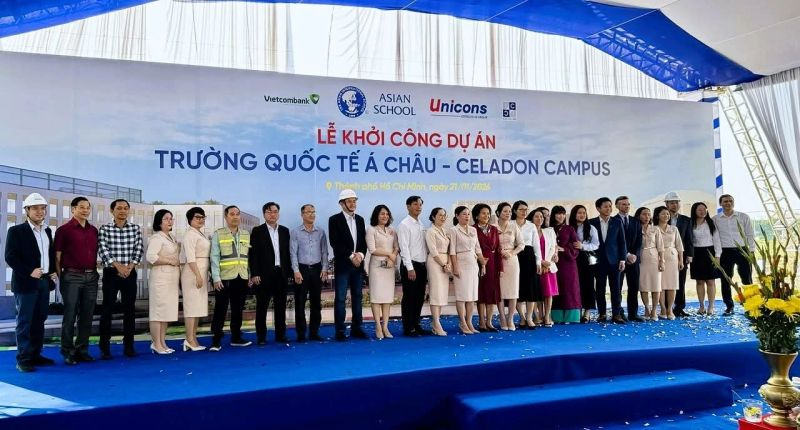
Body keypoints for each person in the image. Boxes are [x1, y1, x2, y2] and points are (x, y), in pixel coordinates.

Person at [5, 193, 57, 372]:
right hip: (25, 283)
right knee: (25, 321)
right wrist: (29, 271)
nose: (39, 211)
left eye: (42, 208)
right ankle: (24, 359)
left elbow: (48, 254)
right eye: (35, 208)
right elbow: (10, 256)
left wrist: (52, 271)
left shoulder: (47, 231)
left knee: (39, 320)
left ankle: (35, 355)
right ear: (27, 210)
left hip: (43, 282)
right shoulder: (16, 231)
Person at [55, 196, 99, 365]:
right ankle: (67, 351)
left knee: (87, 315)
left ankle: (82, 349)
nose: (85, 210)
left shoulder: (93, 230)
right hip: (71, 276)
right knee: (70, 314)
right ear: (73, 209)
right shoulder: (64, 230)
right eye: (81, 207)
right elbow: (57, 257)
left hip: (91, 276)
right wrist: (62, 278)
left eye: (88, 207)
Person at [98, 198, 143, 359]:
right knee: (107, 310)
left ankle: (129, 346)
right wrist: (118, 266)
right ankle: (105, 347)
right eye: (119, 208)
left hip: (130, 273)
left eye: (125, 208)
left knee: (129, 310)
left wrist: (129, 267)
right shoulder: (105, 229)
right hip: (111, 273)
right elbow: (103, 250)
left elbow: (139, 249)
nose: (122, 211)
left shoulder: (135, 229)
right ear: (112, 211)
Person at [209, 205, 252, 351]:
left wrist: (249, 275)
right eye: (232, 214)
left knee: (238, 309)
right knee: (220, 309)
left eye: (237, 214)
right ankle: (216, 340)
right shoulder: (219, 234)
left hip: (242, 276)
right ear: (226, 217)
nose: (235, 217)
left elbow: (248, 257)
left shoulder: (246, 234)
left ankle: (236, 337)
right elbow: (214, 257)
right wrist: (216, 278)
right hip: (224, 278)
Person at [328, 189, 368, 341]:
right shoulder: (334, 220)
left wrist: (361, 255)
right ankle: (340, 330)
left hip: (358, 265)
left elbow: (363, 242)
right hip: (343, 265)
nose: (353, 204)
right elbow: (335, 242)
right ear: (342, 203)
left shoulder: (360, 220)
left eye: (354, 201)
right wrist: (351, 256)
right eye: (349, 201)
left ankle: (357, 328)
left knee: (357, 296)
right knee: (340, 298)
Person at [249, 202, 292, 344]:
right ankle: (261, 337)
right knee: (262, 307)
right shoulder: (257, 231)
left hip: (281, 273)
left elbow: (288, 254)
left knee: (281, 307)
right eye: (269, 212)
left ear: (278, 213)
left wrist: (289, 273)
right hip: (263, 275)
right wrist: (254, 273)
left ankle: (281, 335)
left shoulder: (285, 231)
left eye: (275, 211)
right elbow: (253, 254)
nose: (272, 214)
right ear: (264, 214)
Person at [290, 204, 328, 341]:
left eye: (313, 212)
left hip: (317, 270)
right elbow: (293, 253)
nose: (312, 214)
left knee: (316, 303)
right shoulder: (295, 232)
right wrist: (296, 271)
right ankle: (301, 334)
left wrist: (324, 268)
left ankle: (314, 332)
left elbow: (324, 252)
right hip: (302, 270)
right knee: (300, 303)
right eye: (308, 212)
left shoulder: (321, 232)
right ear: (302, 215)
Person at [713, 194, 756, 316]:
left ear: (733, 202)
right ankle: (729, 306)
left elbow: (750, 235)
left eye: (730, 201)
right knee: (726, 280)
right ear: (721, 204)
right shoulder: (715, 219)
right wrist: (717, 254)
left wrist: (751, 251)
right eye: (725, 201)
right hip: (725, 252)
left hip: (742, 250)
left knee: (747, 279)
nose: (728, 203)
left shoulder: (743, 217)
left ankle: (751, 306)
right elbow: (715, 237)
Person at [145, 209, 181, 354]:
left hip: (171, 280)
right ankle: (156, 343)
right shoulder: (157, 238)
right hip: (160, 279)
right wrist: (170, 261)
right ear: (159, 221)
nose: (169, 221)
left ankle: (162, 342)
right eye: (166, 218)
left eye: (171, 218)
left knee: (166, 312)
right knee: (158, 312)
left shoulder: (172, 237)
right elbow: (151, 257)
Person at [588, 197, 627, 324]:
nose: (609, 209)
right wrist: (592, 261)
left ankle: (616, 314)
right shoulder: (591, 223)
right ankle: (602, 313)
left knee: (616, 289)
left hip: (614, 261)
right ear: (598, 208)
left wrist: (622, 259)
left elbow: (622, 242)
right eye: (605, 206)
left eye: (610, 206)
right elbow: (588, 243)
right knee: (600, 289)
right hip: (598, 262)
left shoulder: (617, 222)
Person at [366, 205, 399, 339]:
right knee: (376, 298)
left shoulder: (392, 230)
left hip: (389, 267)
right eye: (382, 214)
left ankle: (385, 327)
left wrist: (393, 257)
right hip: (377, 267)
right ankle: (378, 326)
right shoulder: (371, 229)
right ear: (376, 215)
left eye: (387, 214)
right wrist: (389, 254)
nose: (385, 216)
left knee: (387, 298)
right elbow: (372, 249)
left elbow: (396, 247)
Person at [398, 196, 429, 337]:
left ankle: (416, 324)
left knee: (419, 297)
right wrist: (410, 268)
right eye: (415, 204)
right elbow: (404, 248)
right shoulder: (404, 225)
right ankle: (408, 327)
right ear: (408, 206)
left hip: (422, 265)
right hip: (410, 265)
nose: (419, 207)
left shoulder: (421, 224)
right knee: (409, 297)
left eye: (420, 204)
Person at [449, 206, 484, 334]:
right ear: (457, 216)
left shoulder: (473, 230)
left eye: (468, 214)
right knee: (462, 296)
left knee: (471, 296)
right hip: (461, 264)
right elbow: (452, 251)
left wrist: (482, 262)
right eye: (464, 214)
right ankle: (462, 323)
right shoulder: (453, 230)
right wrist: (455, 267)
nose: (467, 216)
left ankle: (469, 322)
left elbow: (477, 248)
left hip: (473, 264)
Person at [180, 207, 210, 351]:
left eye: (203, 217)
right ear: (190, 219)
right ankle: (189, 339)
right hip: (193, 273)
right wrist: (198, 275)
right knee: (191, 307)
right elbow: (190, 258)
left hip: (201, 271)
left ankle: (193, 338)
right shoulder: (189, 234)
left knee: (197, 307)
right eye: (197, 217)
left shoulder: (200, 233)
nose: (201, 219)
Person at [512, 201, 542, 329]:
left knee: (531, 288)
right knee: (516, 288)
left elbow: (536, 245)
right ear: (515, 211)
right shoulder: (510, 224)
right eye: (521, 209)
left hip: (529, 257)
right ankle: (522, 317)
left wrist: (538, 261)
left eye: (526, 209)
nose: (524, 212)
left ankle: (529, 317)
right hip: (514, 255)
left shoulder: (531, 225)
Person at [495, 202, 524, 330]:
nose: (508, 213)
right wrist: (500, 252)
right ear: (498, 213)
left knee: (513, 290)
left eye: (510, 211)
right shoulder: (493, 227)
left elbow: (521, 244)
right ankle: (502, 317)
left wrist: (511, 253)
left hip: (512, 260)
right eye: (505, 211)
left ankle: (510, 318)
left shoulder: (514, 225)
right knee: (500, 291)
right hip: (497, 260)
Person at [664, 192, 693, 317]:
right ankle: (666, 307)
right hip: (665, 255)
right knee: (665, 281)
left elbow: (689, 238)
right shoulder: (660, 218)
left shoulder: (686, 220)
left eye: (676, 202)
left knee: (681, 281)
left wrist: (689, 255)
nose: (674, 205)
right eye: (672, 203)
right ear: (666, 204)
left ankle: (679, 307)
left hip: (681, 255)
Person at [474, 203, 502, 331]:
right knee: (481, 293)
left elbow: (498, 249)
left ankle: (489, 322)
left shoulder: (494, 229)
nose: (486, 215)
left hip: (493, 264)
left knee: (492, 293)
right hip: (478, 263)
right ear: (476, 215)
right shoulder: (473, 229)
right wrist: (480, 260)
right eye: (483, 213)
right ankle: (481, 321)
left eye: (488, 213)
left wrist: (500, 267)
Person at [569, 205, 599, 323]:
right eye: (579, 213)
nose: (582, 215)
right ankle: (577, 310)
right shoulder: (569, 227)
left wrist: (582, 246)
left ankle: (587, 312)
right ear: (574, 214)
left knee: (588, 285)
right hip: (572, 259)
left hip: (586, 259)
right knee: (576, 285)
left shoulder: (591, 228)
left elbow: (596, 244)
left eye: (584, 213)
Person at [690, 202, 722, 316]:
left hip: (710, 253)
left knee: (710, 281)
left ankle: (711, 306)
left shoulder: (711, 223)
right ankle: (701, 306)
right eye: (699, 209)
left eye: (704, 209)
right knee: (699, 281)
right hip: (696, 254)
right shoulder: (690, 223)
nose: (702, 211)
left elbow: (717, 240)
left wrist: (717, 256)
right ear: (694, 211)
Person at [550, 206, 580, 324]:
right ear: (553, 215)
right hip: (553, 262)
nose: (561, 216)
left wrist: (564, 249)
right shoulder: (548, 229)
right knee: (555, 287)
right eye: (558, 214)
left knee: (569, 288)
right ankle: (556, 317)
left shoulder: (569, 228)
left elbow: (576, 246)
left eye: (563, 214)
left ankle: (571, 317)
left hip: (568, 263)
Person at [615, 196, 643, 321]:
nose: (626, 206)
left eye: (628, 204)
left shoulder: (635, 221)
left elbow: (639, 240)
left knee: (633, 287)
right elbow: (615, 242)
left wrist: (634, 255)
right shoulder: (613, 221)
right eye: (623, 204)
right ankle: (619, 312)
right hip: (618, 259)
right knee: (618, 288)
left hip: (633, 260)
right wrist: (626, 255)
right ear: (617, 206)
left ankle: (633, 313)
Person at [654, 206, 684, 320]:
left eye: (667, 214)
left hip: (672, 258)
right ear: (657, 216)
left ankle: (670, 309)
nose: (666, 216)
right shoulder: (653, 229)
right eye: (663, 214)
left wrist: (681, 260)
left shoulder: (674, 229)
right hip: (657, 258)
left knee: (672, 285)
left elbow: (679, 246)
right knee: (660, 285)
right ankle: (662, 309)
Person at [425, 207, 451, 336]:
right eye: (440, 215)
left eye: (444, 215)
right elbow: (433, 251)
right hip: (435, 263)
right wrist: (443, 264)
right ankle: (436, 322)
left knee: (441, 293)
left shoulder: (445, 231)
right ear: (433, 217)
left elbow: (450, 249)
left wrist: (449, 264)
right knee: (435, 293)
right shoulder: (430, 231)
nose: (443, 217)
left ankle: (436, 322)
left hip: (445, 262)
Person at [636, 207, 663, 321]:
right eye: (644, 214)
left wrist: (661, 261)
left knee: (656, 285)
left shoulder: (655, 229)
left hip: (654, 257)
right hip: (640, 257)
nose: (647, 217)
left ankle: (654, 310)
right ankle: (647, 309)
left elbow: (660, 246)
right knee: (644, 285)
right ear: (639, 215)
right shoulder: (635, 228)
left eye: (648, 214)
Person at [533, 208, 558, 327]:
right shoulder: (529, 231)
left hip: (548, 266)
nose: (540, 219)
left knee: (548, 293)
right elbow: (529, 250)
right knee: (537, 292)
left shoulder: (549, 231)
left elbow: (553, 247)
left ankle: (547, 316)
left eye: (541, 217)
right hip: (535, 265)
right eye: (537, 216)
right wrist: (540, 262)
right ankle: (539, 315)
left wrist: (546, 262)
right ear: (532, 219)